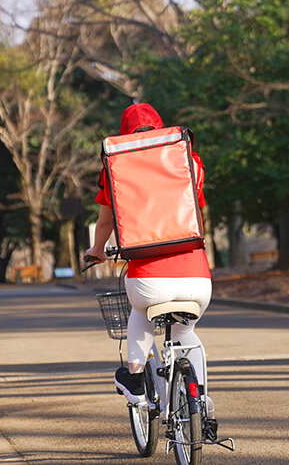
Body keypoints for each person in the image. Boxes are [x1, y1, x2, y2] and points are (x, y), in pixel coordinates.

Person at [85, 103, 213, 408]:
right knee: (184, 330)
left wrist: (97, 250)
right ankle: (200, 398)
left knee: (140, 311)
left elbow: (105, 221)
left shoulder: (116, 167)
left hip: (148, 279)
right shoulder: (189, 160)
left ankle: (135, 379)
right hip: (197, 277)